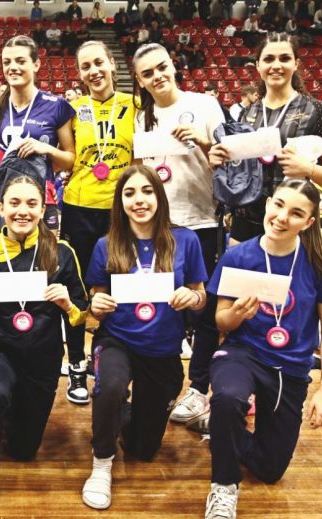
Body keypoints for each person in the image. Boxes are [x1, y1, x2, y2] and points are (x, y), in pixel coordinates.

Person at [202, 179, 322, 519]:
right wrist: (236, 315)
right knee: (228, 397)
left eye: (296, 213)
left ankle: (223, 429)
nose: (283, 217)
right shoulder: (238, 256)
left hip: (291, 365)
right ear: (268, 203)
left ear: (309, 222)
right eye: (279, 205)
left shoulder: (321, 259)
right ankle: (224, 485)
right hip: (242, 353)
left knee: (270, 470)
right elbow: (221, 321)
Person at [0, 174, 87, 509]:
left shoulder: (61, 253)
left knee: (24, 450)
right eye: (14, 203)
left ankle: (2, 417)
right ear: (0, 208)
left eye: (31, 203)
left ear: (43, 210)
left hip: (42, 358)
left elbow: (83, 316)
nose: (22, 211)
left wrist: (68, 305)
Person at [82, 165, 207, 510]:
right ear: (120, 202)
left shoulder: (186, 240)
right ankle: (101, 462)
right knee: (109, 386)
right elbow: (95, 296)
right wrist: (96, 304)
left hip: (163, 347)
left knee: (143, 450)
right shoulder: (107, 244)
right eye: (130, 193)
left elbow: (200, 294)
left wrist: (192, 297)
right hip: (117, 340)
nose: (139, 200)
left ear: (159, 196)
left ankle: (125, 414)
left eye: (147, 191)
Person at [131, 43, 224, 427]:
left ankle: (199, 388)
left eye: (162, 67)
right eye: (148, 73)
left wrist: (203, 142)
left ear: (173, 66)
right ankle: (160, 381)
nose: (157, 76)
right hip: (159, 228)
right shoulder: (142, 118)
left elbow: (228, 162)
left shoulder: (205, 105)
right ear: (139, 81)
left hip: (201, 222)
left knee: (203, 311)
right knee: (162, 306)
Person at [209, 33, 322, 244]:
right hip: (245, 223)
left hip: (291, 223)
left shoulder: (318, 110)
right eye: (269, 59)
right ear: (258, 65)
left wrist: (308, 169)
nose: (276, 65)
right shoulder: (246, 113)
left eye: (285, 58)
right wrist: (219, 161)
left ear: (296, 63)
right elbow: (238, 173)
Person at [61, 41, 135, 404]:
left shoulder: (135, 106)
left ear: (112, 65)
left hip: (122, 210)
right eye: (86, 66)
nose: (94, 71)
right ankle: (76, 363)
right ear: (79, 73)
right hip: (79, 207)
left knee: (120, 287)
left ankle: (110, 360)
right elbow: (64, 157)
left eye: (99, 63)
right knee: (77, 289)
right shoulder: (72, 110)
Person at [0, 35, 75, 236]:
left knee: (45, 256)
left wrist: (46, 148)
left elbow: (70, 160)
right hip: (1, 201)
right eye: (7, 62)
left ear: (36, 64)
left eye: (20, 61)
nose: (13, 67)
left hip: (41, 201)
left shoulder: (56, 106)